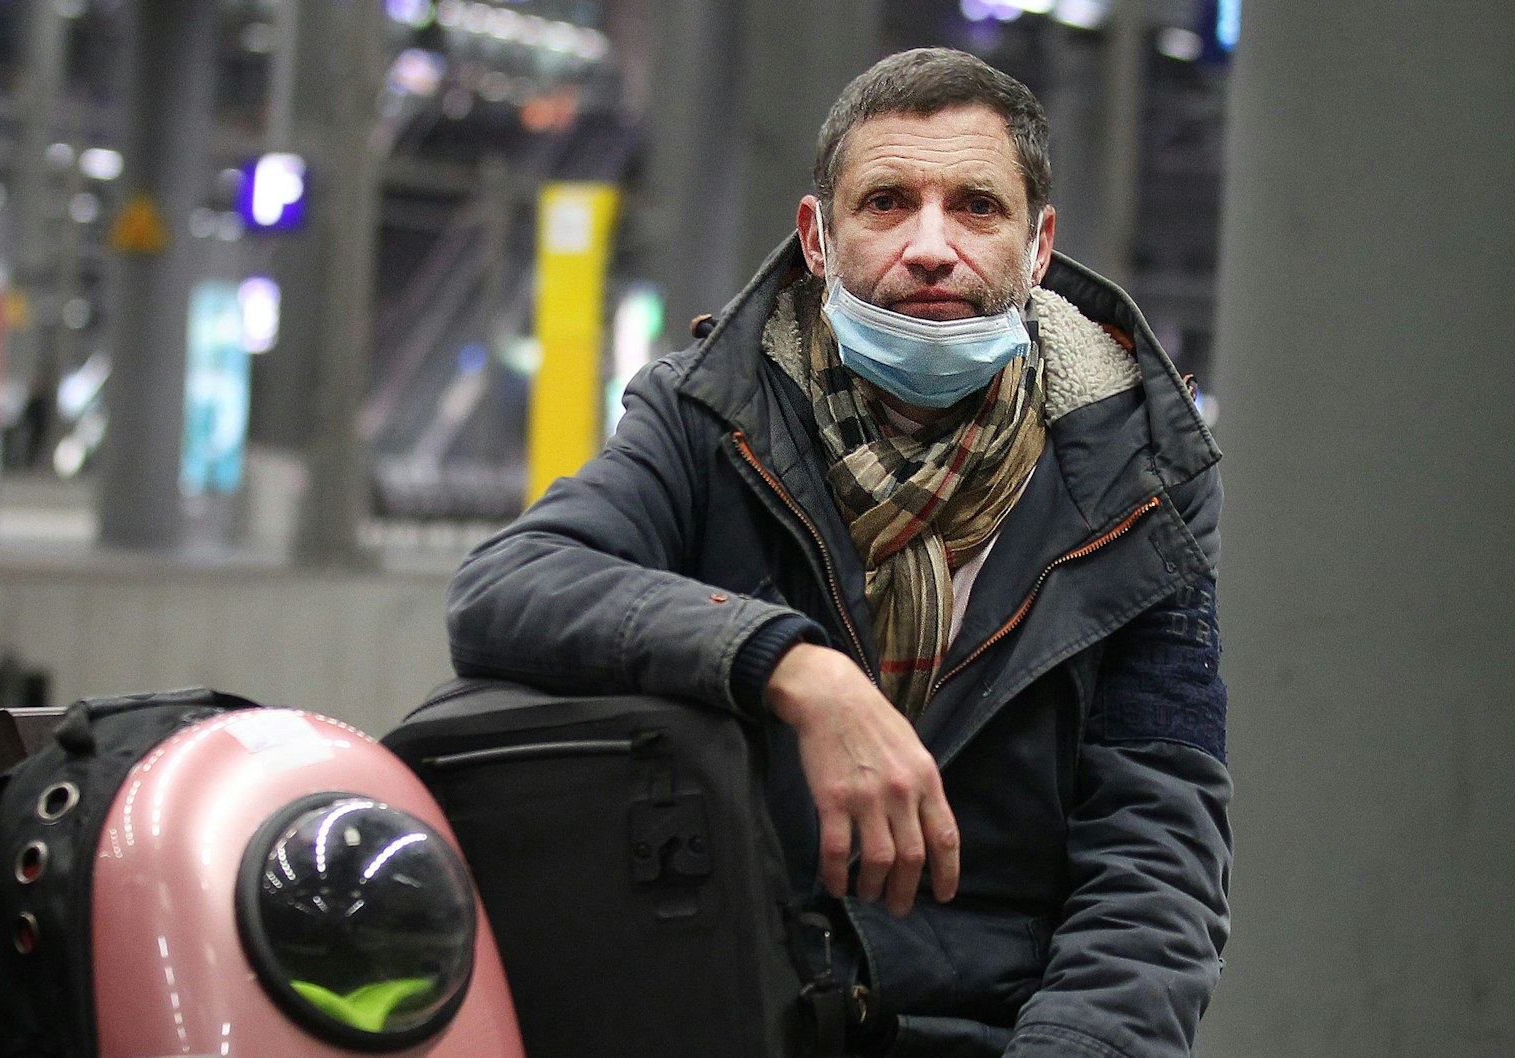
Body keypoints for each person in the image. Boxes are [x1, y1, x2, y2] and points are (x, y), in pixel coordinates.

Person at [447, 47, 1229, 1058]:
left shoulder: (1143, 482)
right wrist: (791, 665)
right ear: (817, 237)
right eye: (887, 202)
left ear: (1038, 247)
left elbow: (1154, 853)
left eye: (975, 207)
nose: (930, 246)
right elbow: (510, 586)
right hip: (736, 1011)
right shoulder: (704, 419)